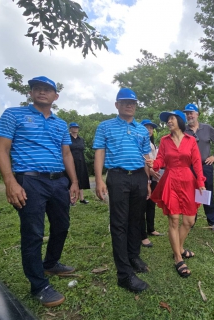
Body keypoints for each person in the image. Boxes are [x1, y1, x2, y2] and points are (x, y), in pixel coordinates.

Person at [0, 76, 79, 307]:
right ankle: (38, 286)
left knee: (62, 225)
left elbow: (67, 155)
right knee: (33, 233)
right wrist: (10, 181)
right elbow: (2, 148)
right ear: (31, 93)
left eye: (48, 89)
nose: (42, 92)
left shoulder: (61, 124)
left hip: (58, 181)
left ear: (55, 96)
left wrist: (74, 182)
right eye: (37, 88)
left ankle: (51, 263)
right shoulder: (14, 114)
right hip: (29, 181)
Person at [93, 88, 151, 293]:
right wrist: (99, 179)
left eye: (133, 102)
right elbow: (99, 152)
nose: (129, 105)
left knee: (136, 219)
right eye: (125, 102)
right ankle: (124, 275)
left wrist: (148, 182)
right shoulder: (105, 126)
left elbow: (146, 158)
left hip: (139, 177)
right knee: (119, 223)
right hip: (117, 177)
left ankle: (133, 256)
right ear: (117, 104)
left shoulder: (142, 130)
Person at [147, 110, 205, 278]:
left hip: (188, 181)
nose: (168, 122)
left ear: (179, 120)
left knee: (189, 220)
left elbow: (197, 163)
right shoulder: (165, 140)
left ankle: (178, 247)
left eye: (171, 119)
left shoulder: (191, 140)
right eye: (167, 120)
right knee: (173, 219)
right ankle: (178, 257)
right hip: (171, 180)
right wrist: (154, 164)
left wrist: (200, 182)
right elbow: (161, 161)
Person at [182, 103, 214, 232]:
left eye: (191, 113)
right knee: (190, 193)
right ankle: (191, 220)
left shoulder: (207, 128)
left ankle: (212, 221)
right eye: (187, 113)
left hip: (205, 166)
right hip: (189, 167)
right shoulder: (183, 130)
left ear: (197, 114)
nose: (189, 115)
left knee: (207, 192)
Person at [139, 119, 164, 248]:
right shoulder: (140, 143)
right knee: (142, 206)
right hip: (144, 177)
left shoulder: (152, 144)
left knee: (151, 204)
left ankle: (151, 228)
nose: (149, 130)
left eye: (151, 128)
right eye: (146, 127)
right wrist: (150, 172)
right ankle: (142, 235)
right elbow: (143, 161)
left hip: (153, 178)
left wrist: (155, 172)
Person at [68, 122, 90, 205]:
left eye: (76, 127)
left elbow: (82, 149)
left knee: (80, 178)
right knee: (71, 179)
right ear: (70, 129)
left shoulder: (81, 139)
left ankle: (82, 198)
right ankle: (71, 199)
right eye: (73, 127)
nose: (75, 129)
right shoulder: (67, 138)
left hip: (81, 161)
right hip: (71, 162)